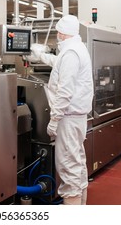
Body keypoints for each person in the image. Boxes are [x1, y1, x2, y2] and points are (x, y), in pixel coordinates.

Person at [26, 15, 94, 205]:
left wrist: (55, 119)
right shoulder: (76, 48)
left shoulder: (71, 53)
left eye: (57, 31)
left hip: (68, 118)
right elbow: (60, 64)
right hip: (76, 117)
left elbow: (65, 90)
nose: (56, 34)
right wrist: (40, 55)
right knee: (77, 160)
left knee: (68, 164)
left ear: (62, 32)